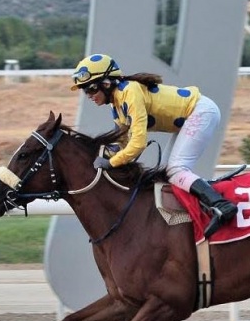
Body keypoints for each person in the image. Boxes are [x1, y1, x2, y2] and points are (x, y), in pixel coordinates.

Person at [70, 53, 238, 238]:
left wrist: (111, 163)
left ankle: (221, 205)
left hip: (201, 111)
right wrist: (100, 157)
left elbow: (138, 144)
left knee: (176, 169)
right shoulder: (116, 104)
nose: (89, 96)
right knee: (166, 173)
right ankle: (201, 209)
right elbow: (122, 141)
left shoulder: (130, 93)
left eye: (91, 89)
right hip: (188, 119)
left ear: (107, 83)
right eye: (85, 91)